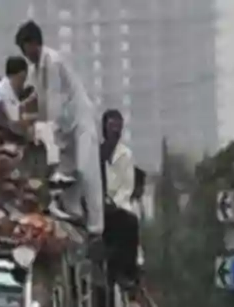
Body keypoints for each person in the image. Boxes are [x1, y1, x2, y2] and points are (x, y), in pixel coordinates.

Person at [15, 20, 105, 237]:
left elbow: (53, 103)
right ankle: (76, 222)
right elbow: (39, 104)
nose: (26, 55)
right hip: (63, 130)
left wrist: (46, 134)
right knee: (66, 184)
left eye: (26, 48)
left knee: (85, 170)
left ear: (34, 43)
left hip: (80, 122)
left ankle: (96, 225)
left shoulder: (53, 61)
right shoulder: (35, 71)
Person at [101, 109, 140, 283]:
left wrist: (113, 203)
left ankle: (127, 273)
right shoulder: (96, 153)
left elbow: (127, 187)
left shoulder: (126, 155)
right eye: (111, 126)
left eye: (118, 127)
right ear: (104, 129)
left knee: (131, 223)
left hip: (117, 207)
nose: (115, 131)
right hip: (97, 205)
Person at [0, 56, 29, 121]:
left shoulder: (11, 91)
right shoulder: (2, 93)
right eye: (23, 78)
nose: (24, 82)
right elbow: (15, 119)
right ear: (21, 75)